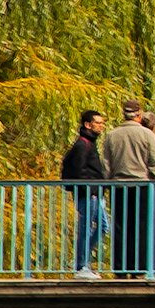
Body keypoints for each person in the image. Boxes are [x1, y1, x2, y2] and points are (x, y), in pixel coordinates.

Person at [98, 99, 155, 275]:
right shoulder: (147, 135)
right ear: (139, 115)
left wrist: (105, 185)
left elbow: (106, 165)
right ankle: (140, 267)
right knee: (141, 227)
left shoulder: (112, 135)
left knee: (120, 228)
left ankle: (120, 268)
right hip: (142, 187)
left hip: (119, 187)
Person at [62, 109, 112, 275]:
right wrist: (89, 190)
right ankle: (81, 265)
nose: (101, 126)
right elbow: (78, 169)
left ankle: (80, 260)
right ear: (87, 124)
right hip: (89, 194)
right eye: (98, 123)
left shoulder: (89, 143)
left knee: (103, 226)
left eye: (102, 123)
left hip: (95, 194)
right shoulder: (82, 144)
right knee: (86, 228)